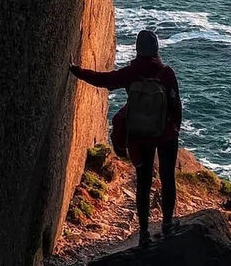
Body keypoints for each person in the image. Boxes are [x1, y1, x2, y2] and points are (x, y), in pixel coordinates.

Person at [69, 30, 182, 246]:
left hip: (139, 134)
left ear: (138, 50)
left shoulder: (132, 72)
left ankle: (145, 232)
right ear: (156, 49)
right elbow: (176, 105)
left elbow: (104, 80)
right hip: (165, 134)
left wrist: (77, 71)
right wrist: (173, 129)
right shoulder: (166, 73)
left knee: (143, 182)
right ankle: (167, 224)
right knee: (168, 178)